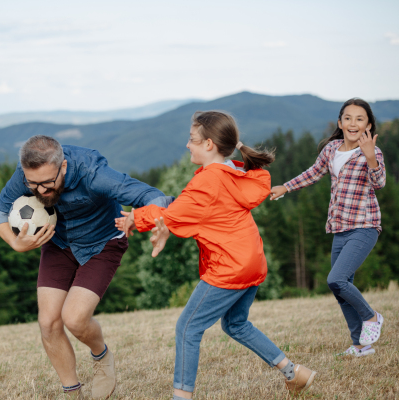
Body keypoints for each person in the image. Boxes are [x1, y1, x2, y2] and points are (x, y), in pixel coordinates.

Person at [116, 111, 316, 399]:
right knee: (235, 324)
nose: (188, 145)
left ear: (209, 144)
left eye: (192, 139)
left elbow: (174, 213)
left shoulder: (209, 181)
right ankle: (294, 373)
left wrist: (135, 217)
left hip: (229, 268)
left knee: (187, 328)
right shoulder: (234, 172)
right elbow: (187, 208)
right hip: (253, 263)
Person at [0, 135, 173, 399]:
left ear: (63, 166)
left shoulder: (93, 173)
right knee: (48, 322)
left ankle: (101, 356)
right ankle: (72, 392)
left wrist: (146, 218)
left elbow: (151, 195)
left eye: (48, 183)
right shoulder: (26, 173)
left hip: (103, 243)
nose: (39, 191)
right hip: (59, 242)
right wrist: (15, 243)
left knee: (74, 319)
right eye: (33, 184)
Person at [271, 98, 385, 357]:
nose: (353, 123)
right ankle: (360, 345)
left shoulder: (372, 152)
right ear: (340, 123)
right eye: (348, 118)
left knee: (335, 279)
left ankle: (372, 317)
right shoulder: (332, 149)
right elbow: (314, 172)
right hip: (339, 228)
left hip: (364, 226)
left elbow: (379, 183)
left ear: (368, 124)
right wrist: (285, 187)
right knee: (340, 288)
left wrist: (370, 158)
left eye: (359, 118)